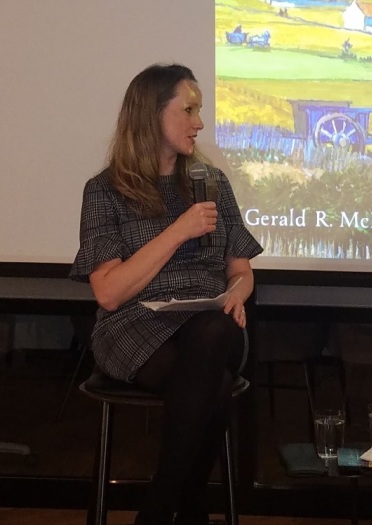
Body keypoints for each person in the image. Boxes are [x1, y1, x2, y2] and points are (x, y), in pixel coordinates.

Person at [70, 63, 263, 525]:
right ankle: (190, 504)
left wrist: (236, 292)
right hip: (135, 325)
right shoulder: (105, 191)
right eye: (189, 110)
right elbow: (110, 294)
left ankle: (157, 508)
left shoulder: (212, 183)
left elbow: (241, 270)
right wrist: (177, 231)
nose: (199, 123)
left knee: (213, 331)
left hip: (211, 323)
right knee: (211, 384)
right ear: (151, 114)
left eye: (201, 111)